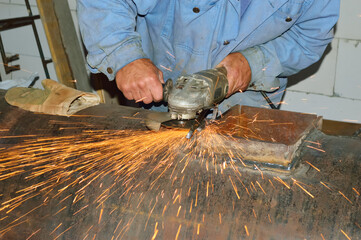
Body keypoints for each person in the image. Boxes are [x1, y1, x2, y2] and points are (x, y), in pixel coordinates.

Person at [77, 0, 339, 113]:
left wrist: (253, 62)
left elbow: (310, 37)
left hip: (244, 105)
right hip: (158, 91)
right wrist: (125, 56)